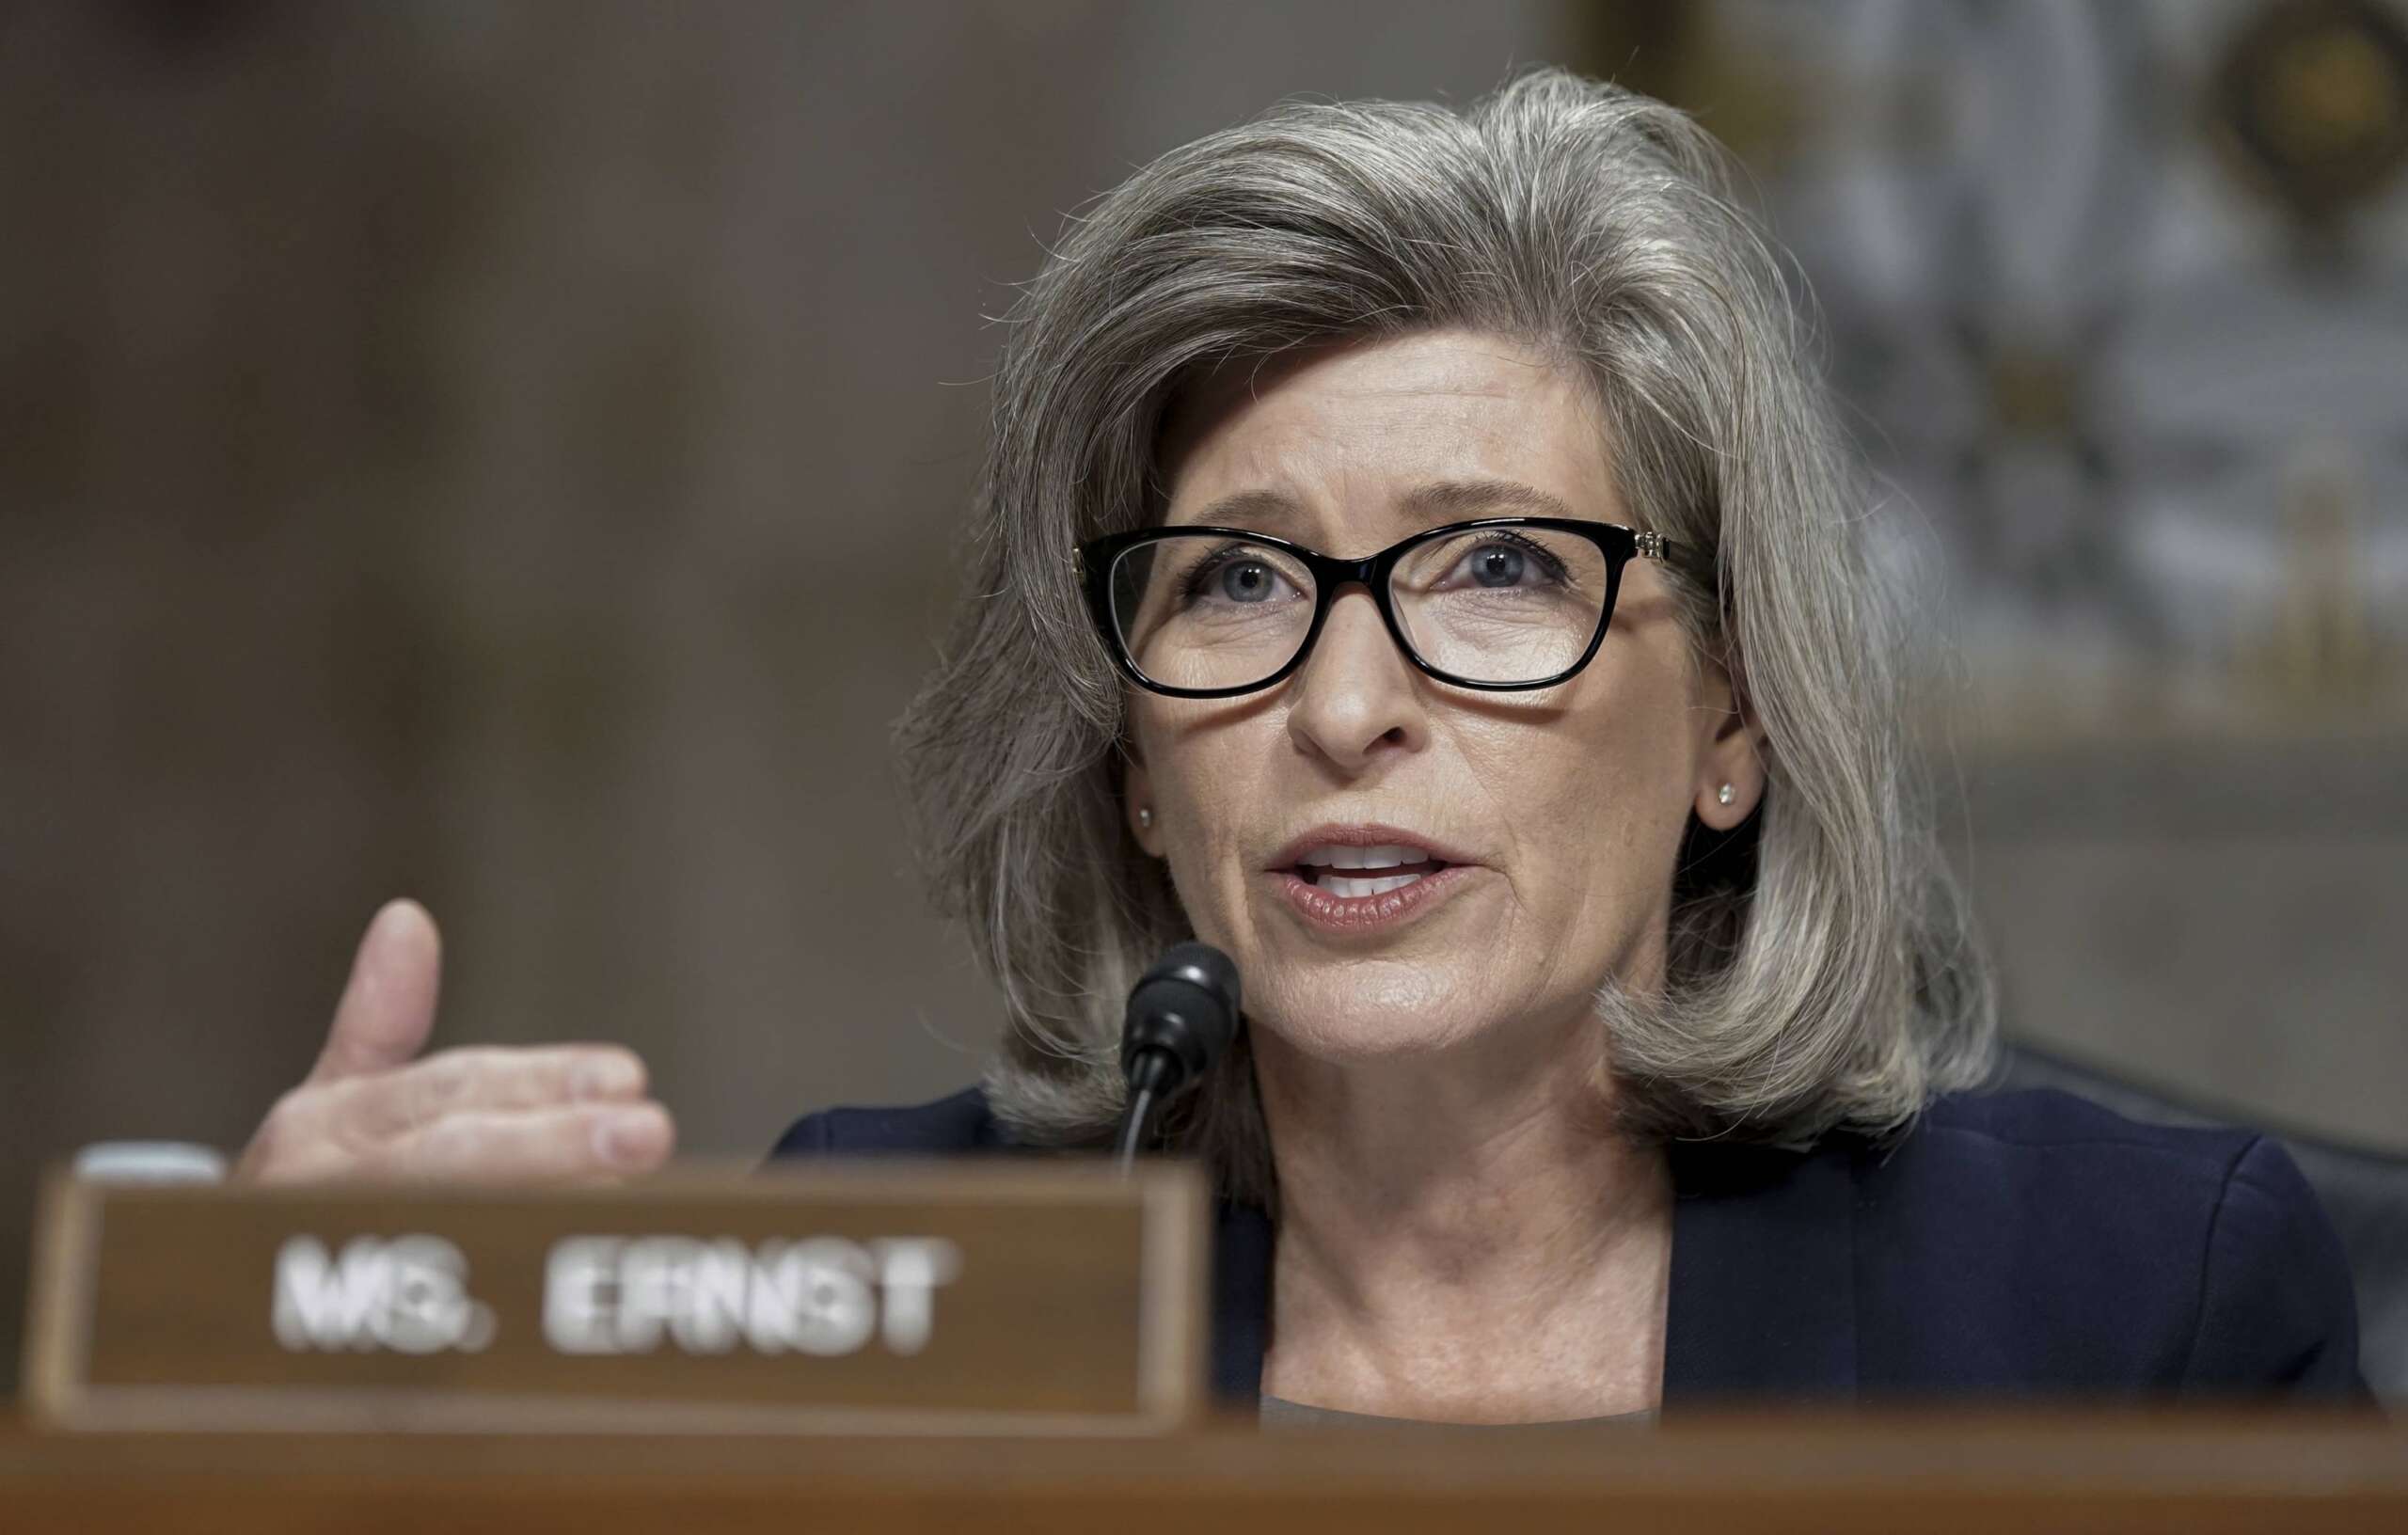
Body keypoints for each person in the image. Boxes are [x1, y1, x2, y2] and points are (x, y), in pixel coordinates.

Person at [238, 71, 2367, 1419]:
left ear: (1731, 713)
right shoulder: (893, 1273)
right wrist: (263, 1408)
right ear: (1133, 762)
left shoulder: (2126, 1311)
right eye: (1236, 584)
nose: (1343, 707)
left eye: (1498, 568)